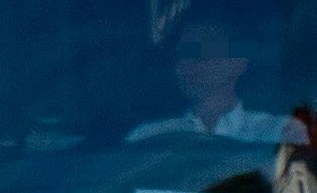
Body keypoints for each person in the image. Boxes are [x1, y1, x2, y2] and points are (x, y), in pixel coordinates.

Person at [126, 16, 310, 146]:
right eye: (180, 56)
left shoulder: (281, 133)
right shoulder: (147, 138)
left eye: (200, 53)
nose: (185, 65)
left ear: (238, 61)